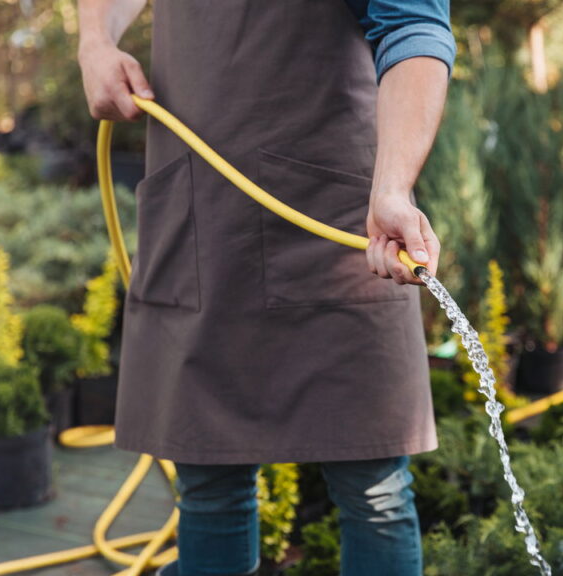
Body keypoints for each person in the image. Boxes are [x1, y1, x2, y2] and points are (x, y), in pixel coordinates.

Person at [77, 1, 454, 575]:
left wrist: (395, 188)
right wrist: (95, 40)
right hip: (198, 214)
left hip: (339, 217)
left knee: (373, 490)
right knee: (208, 487)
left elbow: (413, 23)